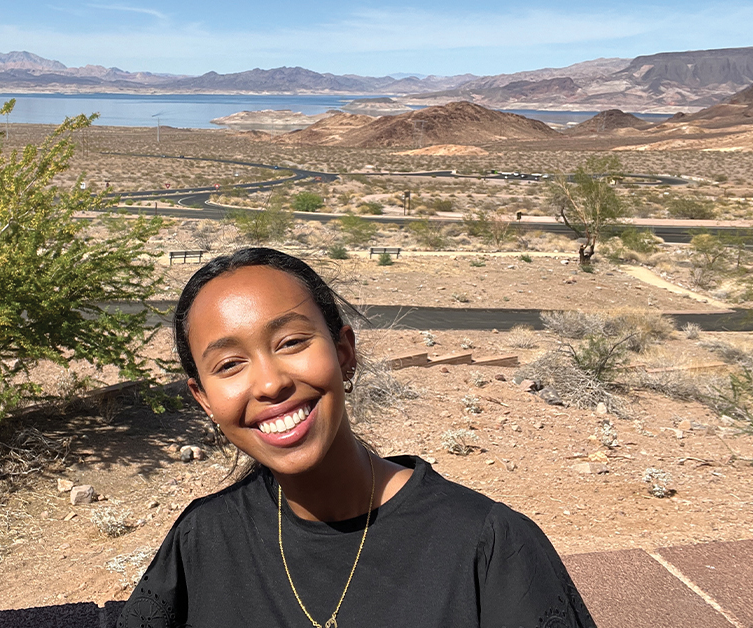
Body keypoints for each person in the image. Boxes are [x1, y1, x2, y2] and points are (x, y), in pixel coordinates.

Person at [118, 248, 595, 628]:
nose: (269, 384)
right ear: (204, 399)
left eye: (291, 342)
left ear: (344, 351)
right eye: (229, 365)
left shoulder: (488, 546)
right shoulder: (202, 539)